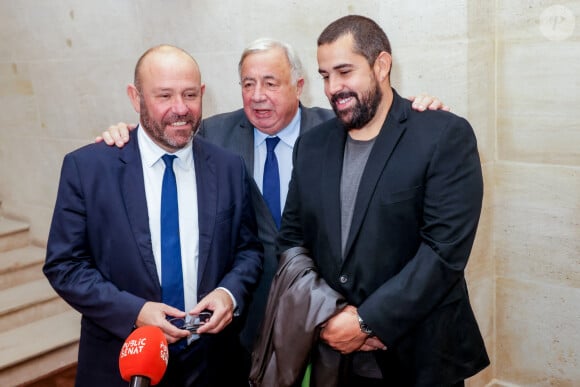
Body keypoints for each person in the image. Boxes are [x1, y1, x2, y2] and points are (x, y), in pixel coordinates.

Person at [97, 38, 449, 362]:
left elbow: (390, 126)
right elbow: (162, 136)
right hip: (244, 319)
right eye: (247, 84)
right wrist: (125, 134)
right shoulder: (212, 134)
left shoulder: (340, 128)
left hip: (329, 315)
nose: (257, 95)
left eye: (270, 82)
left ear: (298, 86)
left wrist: (422, 111)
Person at [274, 15, 489, 386]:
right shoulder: (312, 145)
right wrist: (326, 314)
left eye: (344, 71)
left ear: (381, 65)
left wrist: (367, 321)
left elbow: (443, 253)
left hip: (420, 358)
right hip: (333, 357)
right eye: (325, 75)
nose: (332, 87)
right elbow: (292, 240)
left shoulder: (442, 135)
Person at [43, 44, 263, 387]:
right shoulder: (87, 168)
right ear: (136, 98)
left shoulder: (228, 167)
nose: (180, 108)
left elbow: (248, 250)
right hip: (122, 363)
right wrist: (134, 312)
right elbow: (65, 265)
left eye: (190, 94)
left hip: (213, 365)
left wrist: (228, 294)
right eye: (164, 95)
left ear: (203, 93)